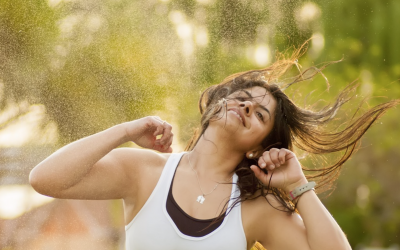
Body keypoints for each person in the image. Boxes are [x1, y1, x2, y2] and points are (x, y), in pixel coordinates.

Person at [29, 45, 398, 250]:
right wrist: (125, 130)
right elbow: (45, 179)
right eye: (242, 97)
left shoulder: (258, 209)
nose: (246, 106)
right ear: (217, 104)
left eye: (259, 114)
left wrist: (298, 186)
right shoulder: (145, 172)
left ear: (258, 148)